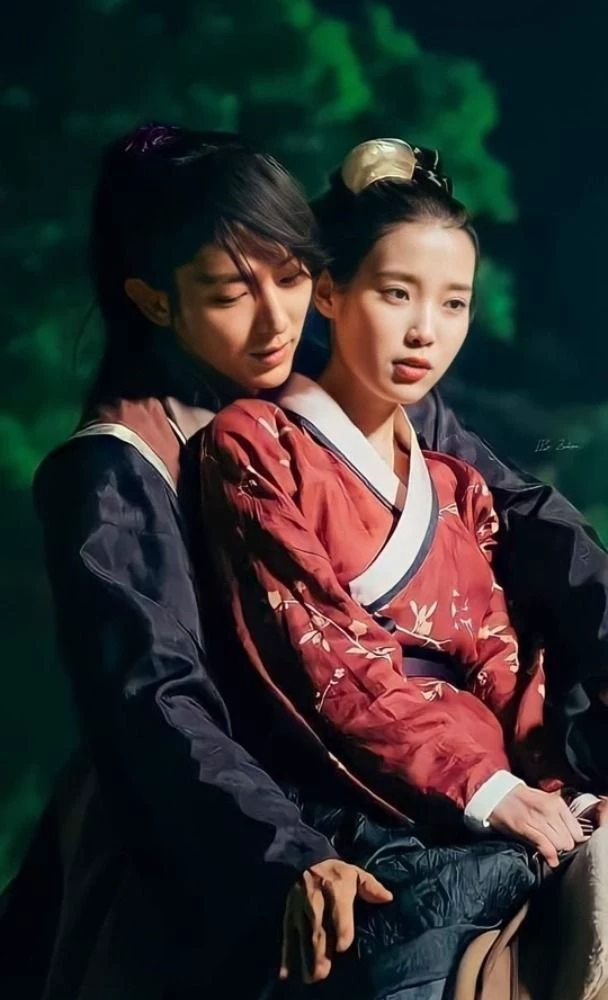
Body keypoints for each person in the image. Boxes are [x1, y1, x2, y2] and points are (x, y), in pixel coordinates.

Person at [1, 125, 607, 1000]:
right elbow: (157, 703)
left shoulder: (359, 398)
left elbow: (523, 517)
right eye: (228, 292)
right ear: (154, 300)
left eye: (289, 278)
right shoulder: (115, 467)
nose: (276, 320)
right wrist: (290, 857)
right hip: (225, 819)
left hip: (413, 767)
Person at [200, 137, 608, 998]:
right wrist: (483, 789)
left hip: (498, 788)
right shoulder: (256, 443)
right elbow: (323, 655)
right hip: (362, 793)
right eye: (397, 293)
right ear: (330, 291)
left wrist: (551, 787)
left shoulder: (453, 482)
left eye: (454, 303)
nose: (427, 330)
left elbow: (500, 659)